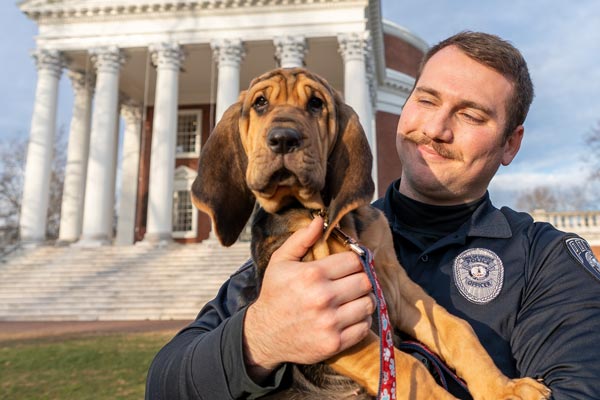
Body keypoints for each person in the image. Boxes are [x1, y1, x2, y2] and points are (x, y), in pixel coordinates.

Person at [145, 31, 600, 399]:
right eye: (426, 100)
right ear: (405, 104)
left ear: (510, 144)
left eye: (471, 115)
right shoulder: (301, 241)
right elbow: (165, 384)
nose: (436, 128)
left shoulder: (550, 261)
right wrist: (257, 338)